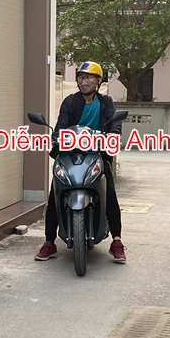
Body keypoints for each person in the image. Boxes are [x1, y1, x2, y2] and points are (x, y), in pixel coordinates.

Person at [35, 61, 126, 263]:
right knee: (56, 192)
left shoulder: (106, 102)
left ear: (98, 81)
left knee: (109, 193)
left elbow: (114, 122)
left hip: (96, 154)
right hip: (69, 154)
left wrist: (113, 134)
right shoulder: (70, 102)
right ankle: (49, 242)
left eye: (89, 78)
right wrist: (57, 137)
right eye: (81, 78)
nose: (84, 82)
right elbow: (61, 125)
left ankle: (117, 241)